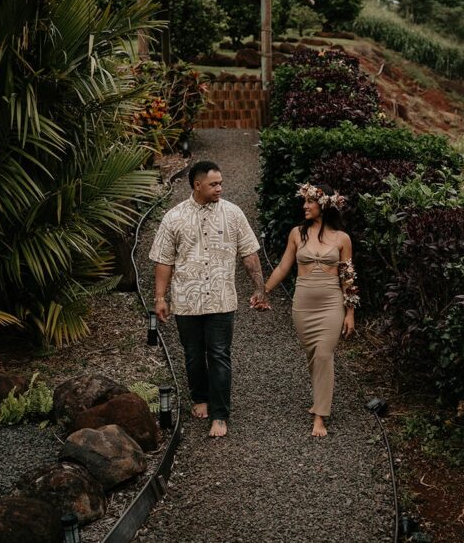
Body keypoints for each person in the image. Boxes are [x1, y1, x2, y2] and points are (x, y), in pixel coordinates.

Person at [149, 161, 269, 438]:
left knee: (219, 354)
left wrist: (260, 288)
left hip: (221, 298)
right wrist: (160, 297)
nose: (220, 188)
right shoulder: (174, 217)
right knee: (192, 355)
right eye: (214, 184)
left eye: (221, 183)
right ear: (197, 185)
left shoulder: (234, 214)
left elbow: (249, 253)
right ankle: (200, 398)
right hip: (186, 300)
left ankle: (219, 414)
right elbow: (164, 261)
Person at [264, 183, 359, 437]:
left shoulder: (342, 239)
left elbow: (348, 278)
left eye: (310, 201)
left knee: (324, 355)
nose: (304, 206)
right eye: (304, 201)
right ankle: (320, 397)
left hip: (331, 304)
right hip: (303, 305)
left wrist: (350, 313)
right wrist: (264, 290)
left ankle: (320, 416)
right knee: (312, 354)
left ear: (324, 204)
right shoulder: (297, 233)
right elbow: (283, 267)